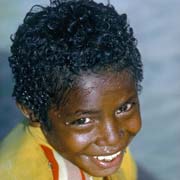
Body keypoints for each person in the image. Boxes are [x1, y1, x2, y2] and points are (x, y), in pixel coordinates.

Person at [0, 0, 143, 179]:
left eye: (123, 109)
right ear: (33, 111)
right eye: (83, 120)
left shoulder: (104, 144)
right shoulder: (20, 173)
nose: (113, 138)